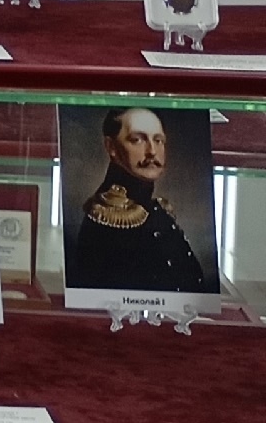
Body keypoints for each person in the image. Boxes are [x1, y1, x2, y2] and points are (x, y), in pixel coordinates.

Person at [66, 108, 215, 294]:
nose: (152, 151)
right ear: (111, 147)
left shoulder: (157, 210)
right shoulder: (105, 222)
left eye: (158, 140)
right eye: (137, 140)